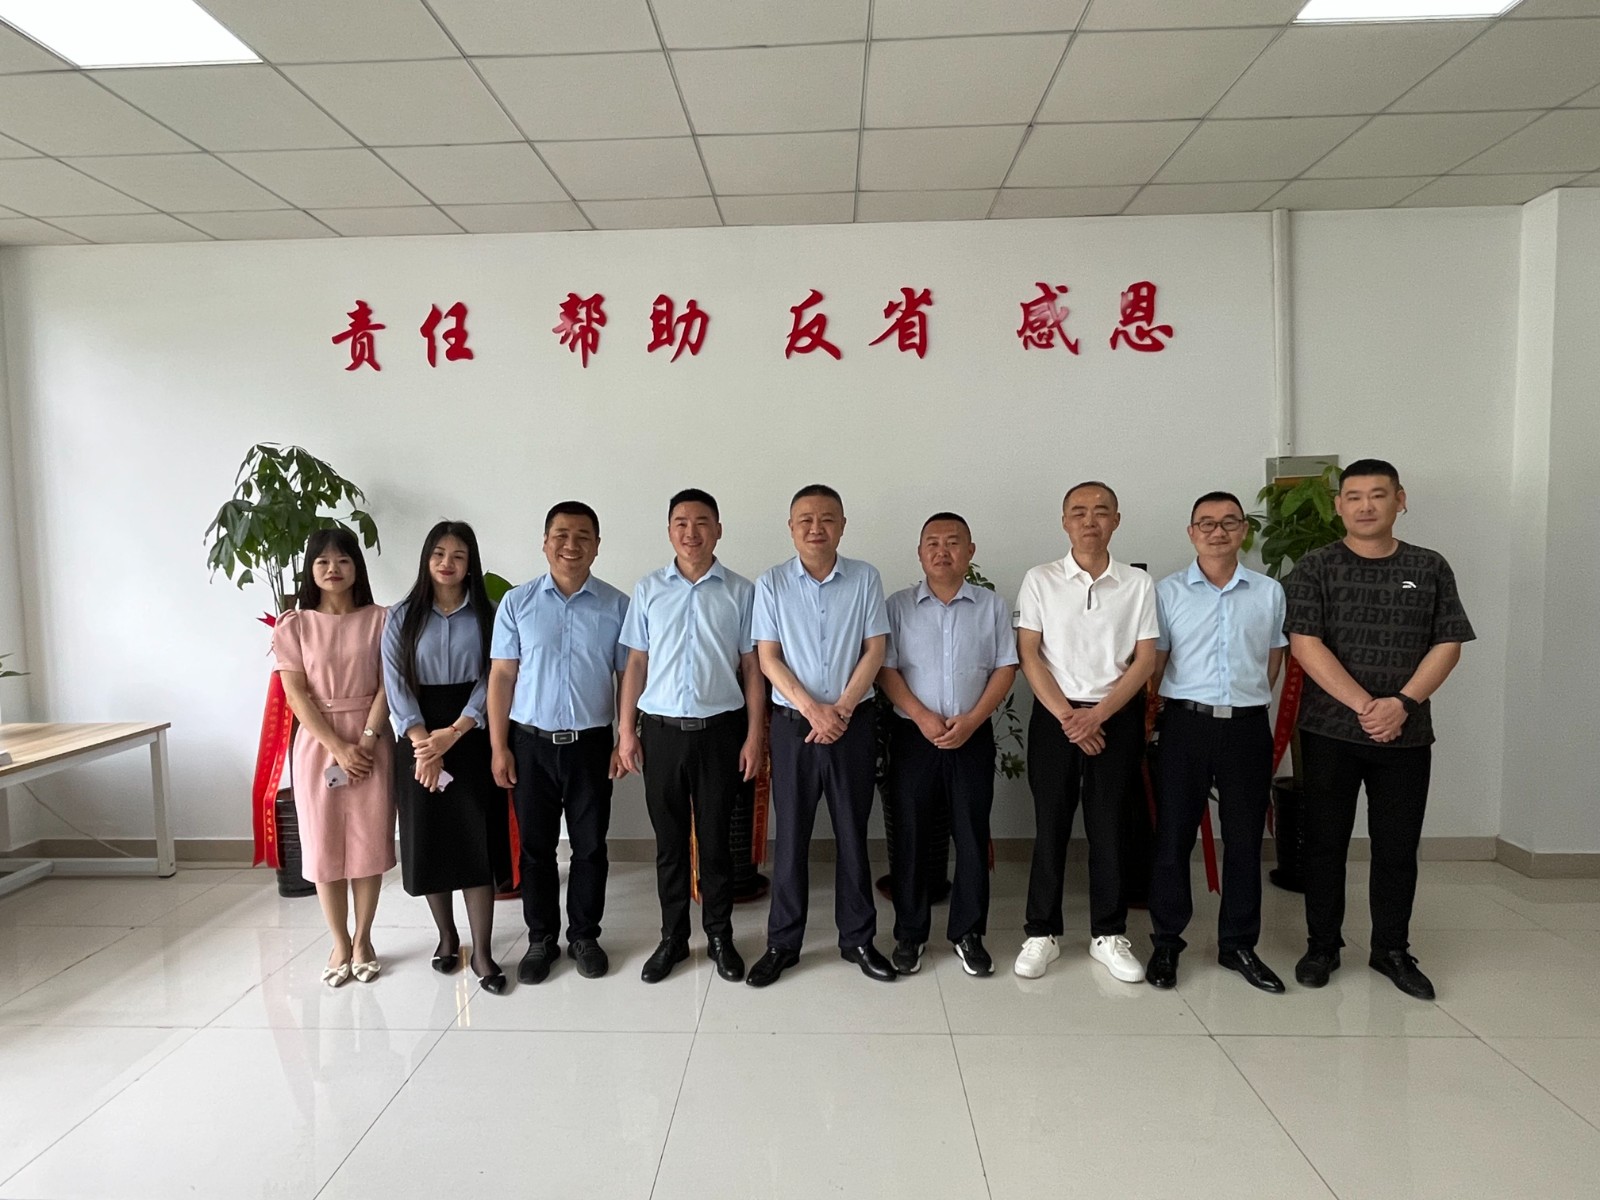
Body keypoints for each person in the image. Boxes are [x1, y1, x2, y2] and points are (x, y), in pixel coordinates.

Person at [1284, 459, 1474, 1000]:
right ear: (1339, 506)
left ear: (1400, 500)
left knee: (1397, 847)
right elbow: (1305, 644)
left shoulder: (1429, 566)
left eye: (1378, 495)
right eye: (1354, 496)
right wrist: (1368, 706)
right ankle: (1322, 945)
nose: (1365, 506)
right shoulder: (1316, 566)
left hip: (1406, 735)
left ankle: (1391, 948)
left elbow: (1448, 642)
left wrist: (1402, 704)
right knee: (1324, 844)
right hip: (1329, 732)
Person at [746, 484, 894, 987]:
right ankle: (783, 944)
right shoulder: (771, 584)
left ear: (842, 525)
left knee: (853, 833)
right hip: (794, 728)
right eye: (805, 519)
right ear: (791, 528)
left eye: (827, 518)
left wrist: (842, 709)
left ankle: (858, 939)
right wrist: (814, 711)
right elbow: (768, 658)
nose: (816, 527)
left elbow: (875, 649)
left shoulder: (865, 578)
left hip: (853, 725)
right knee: (790, 837)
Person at [615, 489, 764, 984]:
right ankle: (673, 938)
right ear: (669, 531)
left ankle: (720, 936)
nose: (691, 532)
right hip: (661, 735)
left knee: (718, 843)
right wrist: (626, 731)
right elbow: (636, 663)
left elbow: (752, 668)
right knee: (670, 844)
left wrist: (755, 736)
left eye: (702, 522)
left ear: (718, 530)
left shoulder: (741, 591)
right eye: (681, 522)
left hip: (721, 734)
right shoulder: (648, 590)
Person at [1014, 481, 1158, 983]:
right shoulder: (1040, 579)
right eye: (1078, 512)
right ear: (1064, 522)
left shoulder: (1137, 584)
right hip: (1056, 718)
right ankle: (1041, 933)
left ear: (1116, 520)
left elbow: (1145, 659)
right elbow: (1029, 653)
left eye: (1100, 511)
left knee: (1110, 826)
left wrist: (1097, 717)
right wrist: (1069, 718)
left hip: (1114, 717)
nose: (1089, 520)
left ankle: (1108, 933)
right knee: (1049, 825)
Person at [1146, 492, 1287, 993]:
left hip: (1247, 728)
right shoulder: (1167, 592)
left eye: (1229, 522)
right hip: (1185, 725)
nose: (1217, 531)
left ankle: (1238, 944)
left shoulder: (1269, 592)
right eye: (1206, 523)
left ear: (1244, 530)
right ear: (1191, 533)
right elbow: (1157, 662)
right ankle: (1167, 940)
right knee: (1173, 836)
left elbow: (1274, 658)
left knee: (1245, 838)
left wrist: (1246, 701)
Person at [487, 502, 629, 985]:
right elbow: (502, 677)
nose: (572, 545)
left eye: (583, 536)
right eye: (561, 535)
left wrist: (624, 736)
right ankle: (541, 939)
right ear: (545, 543)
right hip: (530, 745)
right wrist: (499, 746)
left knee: (590, 846)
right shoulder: (517, 603)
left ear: (597, 545)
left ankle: (585, 935)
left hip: (591, 745)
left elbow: (627, 676)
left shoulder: (617, 605)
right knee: (536, 849)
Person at [879, 513, 1017, 978]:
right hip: (913, 738)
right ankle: (910, 934)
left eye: (953, 542)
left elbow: (1006, 667)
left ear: (970, 552)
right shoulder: (898, 606)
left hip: (971, 737)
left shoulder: (991, 606)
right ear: (920, 554)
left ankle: (968, 933)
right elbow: (885, 669)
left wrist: (973, 720)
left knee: (972, 836)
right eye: (933, 543)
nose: (943, 551)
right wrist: (921, 716)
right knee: (911, 836)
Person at [382, 521, 510, 995]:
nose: (447, 563)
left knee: (476, 837)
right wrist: (424, 744)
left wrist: (454, 733)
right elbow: (395, 681)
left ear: (470, 561)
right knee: (430, 837)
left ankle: (483, 951)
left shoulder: (489, 614)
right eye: (438, 553)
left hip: (471, 732)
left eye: (458, 555)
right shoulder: (401, 616)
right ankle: (447, 937)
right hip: (417, 731)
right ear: (426, 559)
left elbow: (494, 676)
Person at [272, 528, 393, 988]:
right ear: (311, 570)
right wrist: (338, 747)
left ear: (356, 567)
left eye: (342, 560)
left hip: (371, 739)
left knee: (369, 842)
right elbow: (295, 694)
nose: (332, 569)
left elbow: (389, 685)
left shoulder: (381, 619)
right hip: (318, 745)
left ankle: (364, 940)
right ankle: (339, 942)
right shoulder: (295, 625)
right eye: (322, 562)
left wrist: (366, 739)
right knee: (323, 844)